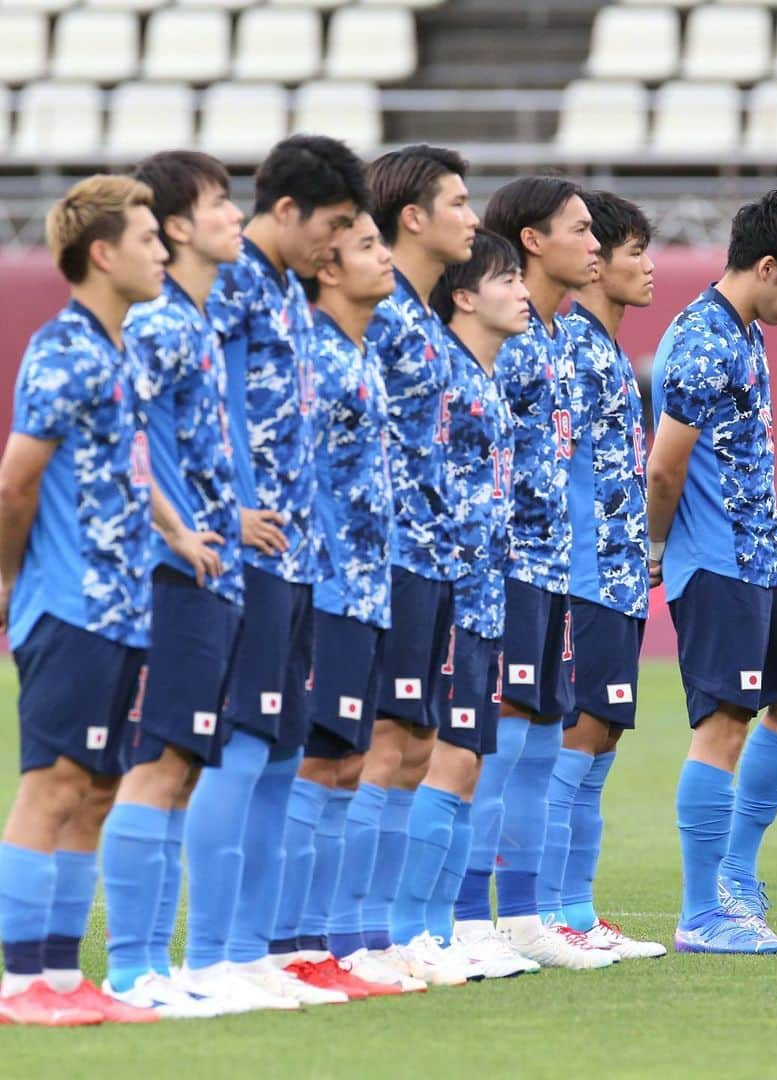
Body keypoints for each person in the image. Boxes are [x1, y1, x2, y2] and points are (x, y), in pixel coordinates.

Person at [0, 175, 210, 1024]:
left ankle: (59, 977)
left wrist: (176, 531)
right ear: (102, 253)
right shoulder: (63, 350)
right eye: (148, 239)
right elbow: (16, 483)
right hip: (70, 604)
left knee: (94, 788)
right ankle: (18, 981)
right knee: (50, 785)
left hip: (123, 607)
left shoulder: (115, 348)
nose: (163, 252)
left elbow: (127, 465)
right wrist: (10, 580)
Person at [177, 135, 365, 1008]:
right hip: (248, 553)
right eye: (330, 225)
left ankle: (252, 950)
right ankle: (207, 955)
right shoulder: (232, 283)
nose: (335, 244)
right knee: (244, 749)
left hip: (300, 558)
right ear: (284, 211)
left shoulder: (286, 288)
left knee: (284, 751)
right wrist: (224, 514)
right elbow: (192, 404)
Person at [649, 189, 777, 955]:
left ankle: (732, 871)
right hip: (718, 561)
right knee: (723, 727)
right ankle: (702, 914)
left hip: (758, 561)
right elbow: (664, 468)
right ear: (766, 266)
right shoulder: (702, 339)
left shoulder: (742, 330)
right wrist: (657, 551)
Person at [98, 151, 256, 1017]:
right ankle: (134, 969)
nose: (237, 216)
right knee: (158, 764)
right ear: (179, 229)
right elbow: (118, 429)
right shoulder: (158, 322)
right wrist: (174, 527)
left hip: (209, 569)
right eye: (220, 204)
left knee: (184, 765)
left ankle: (160, 968)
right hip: (170, 572)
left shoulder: (196, 317)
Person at [454, 177, 612, 970]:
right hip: (506, 568)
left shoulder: (555, 337)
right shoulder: (504, 339)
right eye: (580, 230)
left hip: (554, 572)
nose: (596, 244)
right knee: (502, 742)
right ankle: (463, 918)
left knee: (544, 743)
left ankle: (520, 917)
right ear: (530, 241)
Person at [264, 215, 413, 996]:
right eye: (365, 248)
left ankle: (316, 941)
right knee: (317, 758)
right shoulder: (313, 356)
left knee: (347, 762)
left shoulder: (361, 353)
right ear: (326, 268)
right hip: (320, 586)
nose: (383, 257)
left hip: (366, 586)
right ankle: (284, 942)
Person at [356, 145, 479, 988]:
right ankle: (351, 935)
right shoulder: (383, 311)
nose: (475, 219)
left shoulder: (421, 315)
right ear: (413, 217)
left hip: (432, 561)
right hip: (390, 559)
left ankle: (389, 933)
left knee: (415, 743)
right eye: (459, 203)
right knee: (380, 745)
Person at [535, 190, 665, 960]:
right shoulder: (569, 349)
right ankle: (548, 911)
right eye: (632, 251)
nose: (647, 267)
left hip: (617, 579)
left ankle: (577, 912)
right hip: (579, 578)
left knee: (603, 740)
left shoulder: (609, 352)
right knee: (575, 741)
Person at [419, 228, 539, 979]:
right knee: (438, 762)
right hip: (446, 598)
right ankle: (420, 932)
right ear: (464, 295)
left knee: (465, 764)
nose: (522, 291)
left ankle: (444, 929)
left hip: (484, 598)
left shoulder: (487, 378)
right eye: (505, 281)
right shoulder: (444, 377)